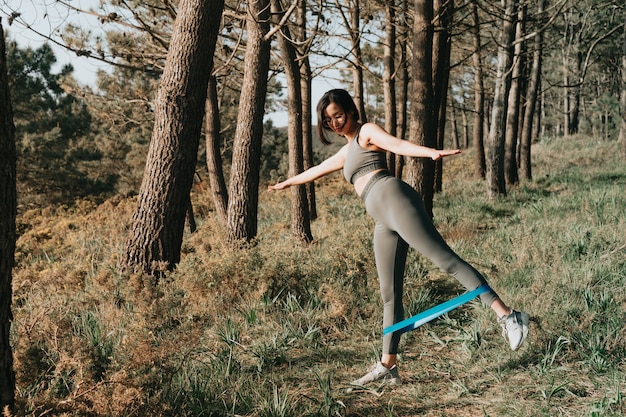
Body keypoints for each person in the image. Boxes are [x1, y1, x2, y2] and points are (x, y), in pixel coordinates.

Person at [268, 89, 529, 388]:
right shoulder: (345, 151)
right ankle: (388, 365)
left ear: (351, 110)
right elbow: (315, 171)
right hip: (382, 218)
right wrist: (286, 183)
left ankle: (509, 316)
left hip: (395, 199)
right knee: (389, 293)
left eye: (338, 115)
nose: (335, 123)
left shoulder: (366, 131)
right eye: (329, 121)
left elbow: (396, 144)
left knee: (447, 262)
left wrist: (430, 152)